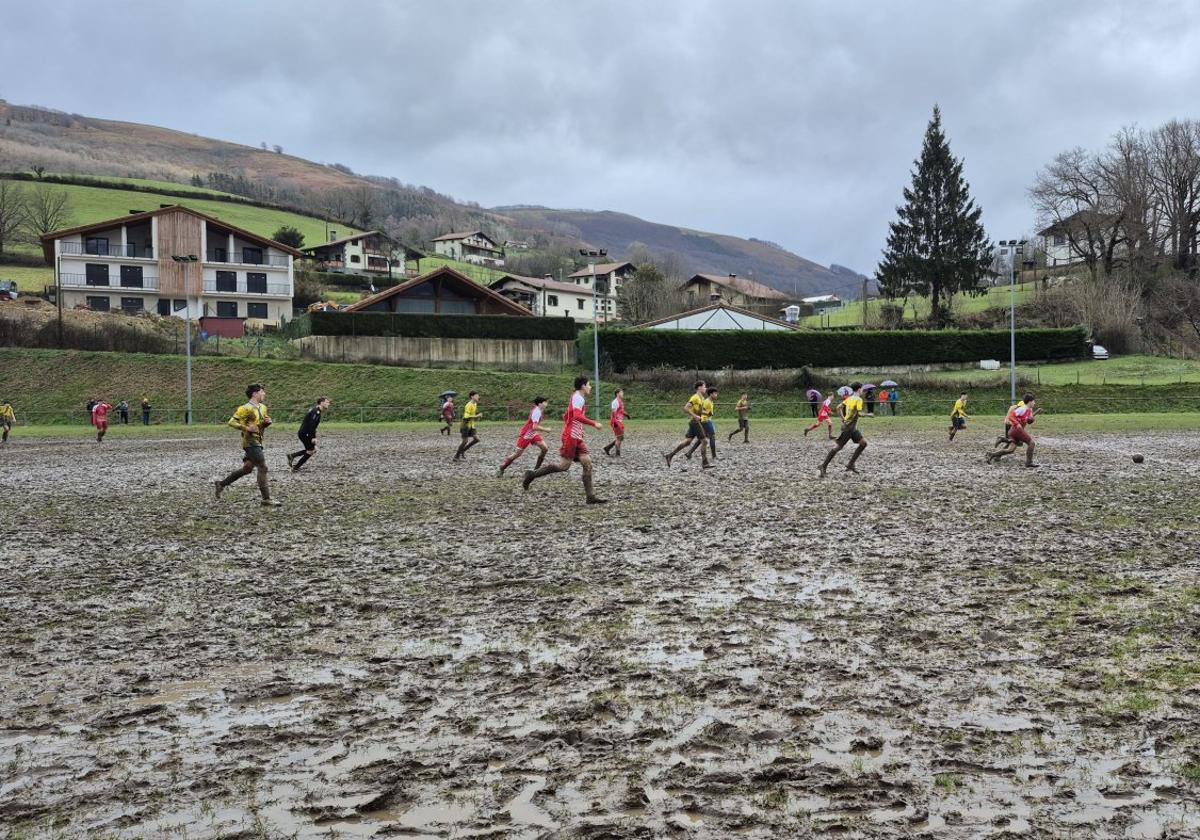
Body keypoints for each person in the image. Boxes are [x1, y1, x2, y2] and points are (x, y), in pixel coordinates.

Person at [522, 376, 607, 503]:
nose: (590, 387)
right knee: (563, 466)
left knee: (587, 463)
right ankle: (532, 474)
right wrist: (594, 423)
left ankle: (590, 497)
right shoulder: (578, 397)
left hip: (576, 435)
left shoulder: (577, 397)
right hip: (571, 436)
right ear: (583, 386)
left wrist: (570, 421)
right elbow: (577, 416)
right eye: (589, 384)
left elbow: (569, 414)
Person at [214, 383, 280, 505]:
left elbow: (260, 425)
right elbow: (231, 422)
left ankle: (221, 484)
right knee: (263, 467)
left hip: (258, 441)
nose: (264, 394)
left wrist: (267, 423)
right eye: (262, 391)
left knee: (247, 468)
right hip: (250, 441)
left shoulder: (263, 407)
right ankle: (266, 499)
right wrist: (245, 428)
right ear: (255, 394)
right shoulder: (244, 408)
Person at [819, 381, 867, 477]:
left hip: (851, 428)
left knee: (863, 443)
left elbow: (838, 407)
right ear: (859, 389)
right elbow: (859, 413)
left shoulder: (849, 398)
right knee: (838, 447)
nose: (863, 390)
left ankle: (850, 464)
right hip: (849, 428)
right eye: (862, 389)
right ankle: (823, 466)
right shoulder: (858, 400)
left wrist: (843, 419)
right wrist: (868, 414)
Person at [664, 382, 712, 469]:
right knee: (704, 441)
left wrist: (706, 413)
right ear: (699, 388)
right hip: (695, 422)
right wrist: (695, 416)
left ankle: (670, 455)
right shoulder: (695, 397)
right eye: (704, 387)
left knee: (688, 442)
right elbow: (686, 408)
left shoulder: (702, 398)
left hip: (695, 422)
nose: (706, 388)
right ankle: (705, 463)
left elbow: (698, 411)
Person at [499, 396, 551, 476]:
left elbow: (533, 427)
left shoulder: (540, 410)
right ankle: (503, 467)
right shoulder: (537, 412)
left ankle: (535, 470)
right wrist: (546, 429)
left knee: (545, 448)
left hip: (533, 433)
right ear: (540, 403)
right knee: (517, 454)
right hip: (526, 435)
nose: (547, 403)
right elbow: (535, 427)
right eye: (545, 402)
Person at [987, 393, 1038, 468]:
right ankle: (1029, 462)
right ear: (1030, 401)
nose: (1035, 403)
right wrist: (1017, 423)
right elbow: (1011, 416)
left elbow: (1026, 420)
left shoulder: (1029, 410)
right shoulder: (1022, 409)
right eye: (1034, 401)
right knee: (1031, 443)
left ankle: (992, 454)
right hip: (1017, 430)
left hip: (1014, 431)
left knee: (1010, 450)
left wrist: (1030, 420)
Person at [288, 397, 331, 472]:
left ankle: (292, 457)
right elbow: (311, 425)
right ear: (321, 402)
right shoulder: (316, 411)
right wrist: (313, 437)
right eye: (327, 402)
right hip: (305, 433)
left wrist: (314, 436)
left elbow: (313, 426)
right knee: (311, 450)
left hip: (305, 433)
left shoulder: (316, 410)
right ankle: (295, 467)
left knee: (312, 450)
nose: (328, 404)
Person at [687, 386, 718, 460]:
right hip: (705, 421)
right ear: (711, 394)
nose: (716, 395)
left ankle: (689, 453)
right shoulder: (707, 401)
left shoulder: (710, 401)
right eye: (715, 393)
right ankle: (714, 456)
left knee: (702, 439)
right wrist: (707, 413)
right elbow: (700, 410)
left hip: (705, 420)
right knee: (712, 437)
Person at [453, 391, 482, 461]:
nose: (478, 397)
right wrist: (476, 416)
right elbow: (466, 416)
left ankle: (463, 451)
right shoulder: (468, 405)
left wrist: (476, 417)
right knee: (465, 441)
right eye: (477, 395)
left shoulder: (475, 404)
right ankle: (456, 456)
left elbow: (471, 416)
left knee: (477, 439)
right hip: (465, 425)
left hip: (471, 425)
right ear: (472, 397)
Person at [603, 387, 628, 457]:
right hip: (616, 421)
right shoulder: (615, 402)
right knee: (620, 437)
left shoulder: (621, 401)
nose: (623, 393)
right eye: (621, 392)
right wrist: (615, 422)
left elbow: (621, 411)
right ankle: (617, 454)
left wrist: (626, 414)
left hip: (619, 421)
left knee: (620, 437)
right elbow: (613, 413)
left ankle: (607, 448)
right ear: (617, 394)